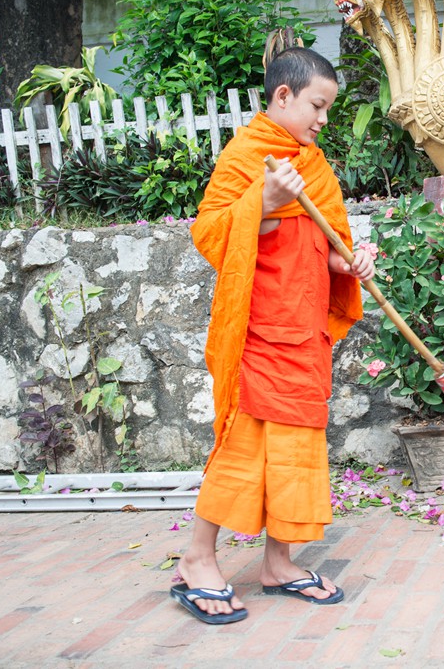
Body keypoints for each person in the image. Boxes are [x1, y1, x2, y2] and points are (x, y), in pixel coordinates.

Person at [171, 42, 375, 624]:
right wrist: (264, 200)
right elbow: (210, 233)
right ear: (282, 96)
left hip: (306, 330)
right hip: (260, 330)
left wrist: (351, 263)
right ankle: (197, 558)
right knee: (245, 444)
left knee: (295, 451)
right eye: (316, 105)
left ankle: (278, 563)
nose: (323, 119)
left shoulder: (314, 164)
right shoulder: (247, 155)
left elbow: (329, 240)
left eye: (329, 109)